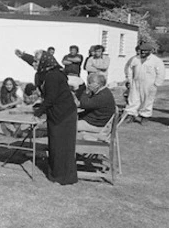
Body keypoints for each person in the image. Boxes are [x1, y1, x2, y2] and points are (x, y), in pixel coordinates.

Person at [32, 53, 78, 185]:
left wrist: (37, 113)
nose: (34, 64)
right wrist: (23, 55)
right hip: (60, 114)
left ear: (43, 62)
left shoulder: (52, 76)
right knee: (56, 145)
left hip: (63, 115)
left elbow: (50, 99)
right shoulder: (52, 71)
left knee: (61, 147)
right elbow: (33, 61)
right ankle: (56, 174)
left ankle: (62, 177)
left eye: (37, 61)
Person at [124, 42, 166, 124]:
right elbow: (129, 69)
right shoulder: (135, 59)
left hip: (149, 84)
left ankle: (144, 116)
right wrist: (130, 80)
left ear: (150, 51)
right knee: (133, 98)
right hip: (136, 82)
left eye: (145, 51)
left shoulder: (156, 61)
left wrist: (156, 84)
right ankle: (131, 114)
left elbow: (161, 73)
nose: (142, 52)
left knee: (147, 100)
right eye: (141, 50)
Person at [76, 73, 117, 139]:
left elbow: (83, 104)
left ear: (97, 84)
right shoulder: (105, 91)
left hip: (97, 125)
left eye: (89, 83)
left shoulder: (101, 96)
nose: (88, 85)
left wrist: (85, 92)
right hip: (97, 121)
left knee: (68, 125)